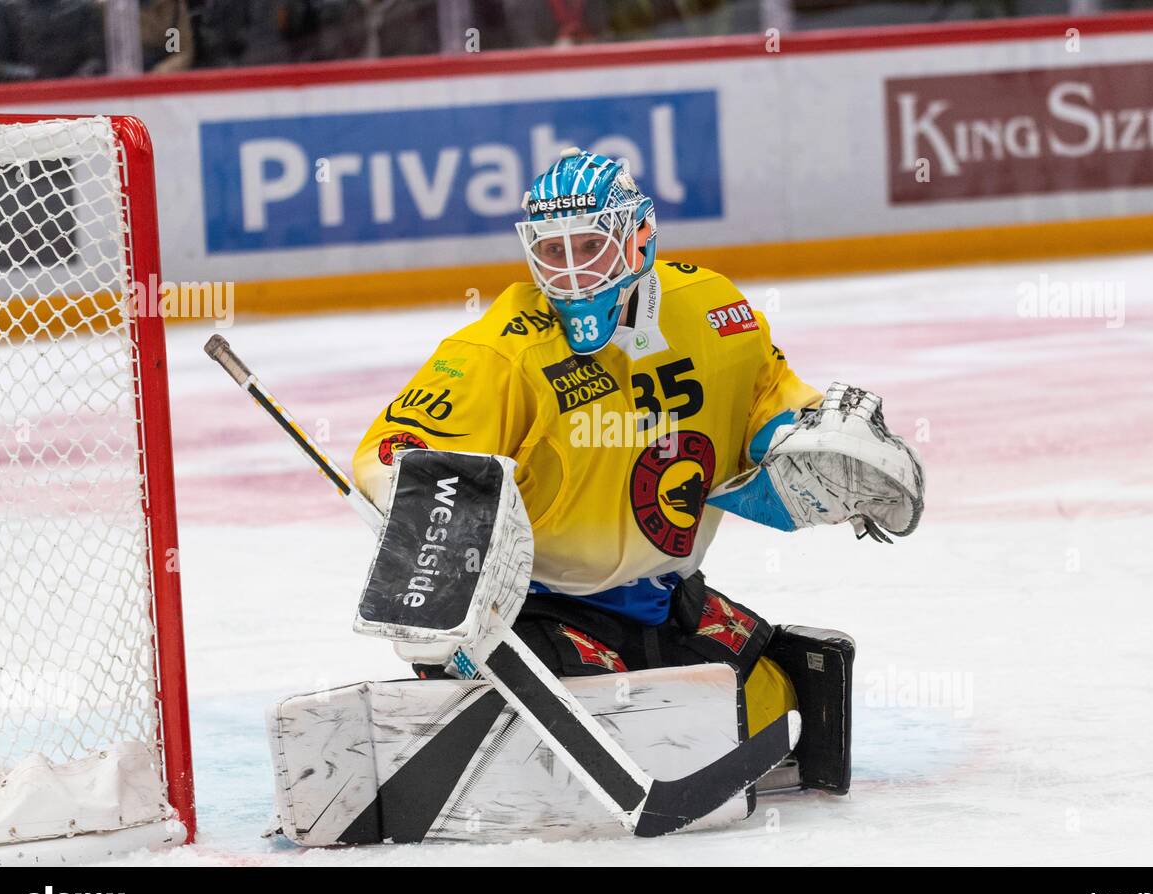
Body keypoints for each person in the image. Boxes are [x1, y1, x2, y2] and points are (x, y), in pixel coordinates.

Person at [353, 149, 922, 775]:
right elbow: (394, 448)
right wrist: (426, 501)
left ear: (639, 238)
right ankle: (491, 695)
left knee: (772, 707)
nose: (570, 272)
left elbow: (769, 403)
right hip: (537, 606)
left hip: (665, 597)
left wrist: (808, 439)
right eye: (551, 251)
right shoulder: (500, 350)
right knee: (608, 731)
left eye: (589, 246)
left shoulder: (712, 312)